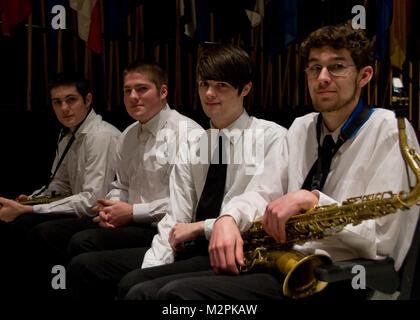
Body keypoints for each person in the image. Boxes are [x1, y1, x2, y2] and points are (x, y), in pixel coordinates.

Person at [122, 23, 420, 300]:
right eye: (315, 68)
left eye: (337, 67)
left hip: (340, 277)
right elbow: (260, 191)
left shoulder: (390, 130)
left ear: (365, 75)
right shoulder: (303, 127)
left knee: (176, 297)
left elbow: (384, 240)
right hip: (283, 262)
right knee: (142, 291)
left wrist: (315, 202)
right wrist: (229, 218)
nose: (323, 77)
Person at [66, 44, 287, 300]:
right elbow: (175, 218)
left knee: (147, 292)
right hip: (195, 249)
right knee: (107, 274)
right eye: (204, 84)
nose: (209, 93)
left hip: (243, 251)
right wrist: (154, 265)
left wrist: (199, 228)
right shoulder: (196, 144)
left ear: (245, 88)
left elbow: (259, 213)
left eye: (221, 86)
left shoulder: (271, 137)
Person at [25, 61, 202, 298]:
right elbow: (122, 186)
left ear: (163, 92)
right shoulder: (128, 135)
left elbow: (187, 206)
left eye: (142, 89)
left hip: (168, 228)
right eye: (127, 90)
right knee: (58, 236)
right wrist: (110, 207)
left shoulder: (188, 134)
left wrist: (132, 211)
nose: (133, 97)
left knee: (83, 249)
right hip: (134, 222)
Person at [0, 72, 121, 298]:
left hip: (103, 217)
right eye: (57, 102)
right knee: (18, 220)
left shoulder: (101, 136)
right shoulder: (67, 136)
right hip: (82, 210)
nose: (64, 108)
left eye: (71, 100)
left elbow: (91, 201)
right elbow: (60, 185)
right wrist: (32, 199)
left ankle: (59, 289)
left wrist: (30, 209)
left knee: (39, 230)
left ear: (87, 100)